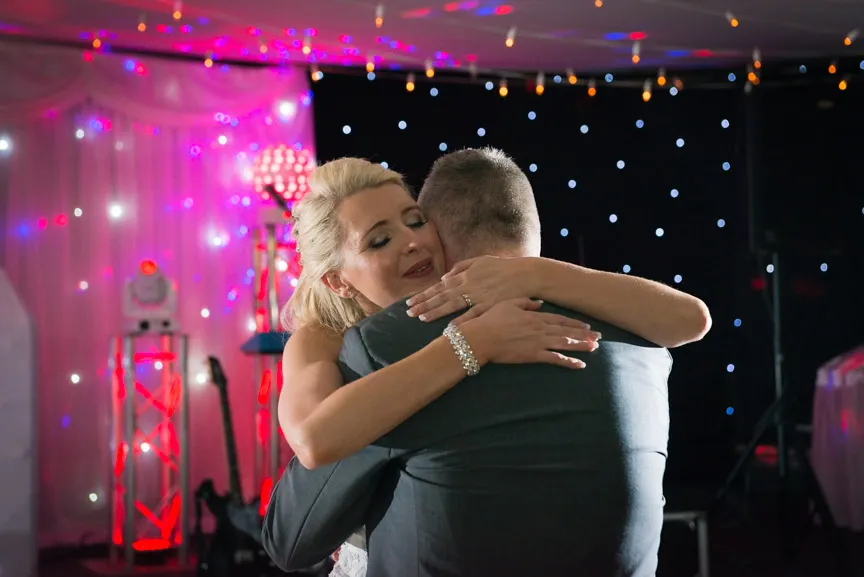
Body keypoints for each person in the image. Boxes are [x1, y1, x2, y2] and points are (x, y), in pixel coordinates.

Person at [263, 149, 712, 576]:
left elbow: (693, 318)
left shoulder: (481, 307)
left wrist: (531, 274)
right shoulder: (326, 340)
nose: (413, 242)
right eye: (380, 240)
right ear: (338, 281)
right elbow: (313, 445)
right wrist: (471, 343)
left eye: (416, 221)